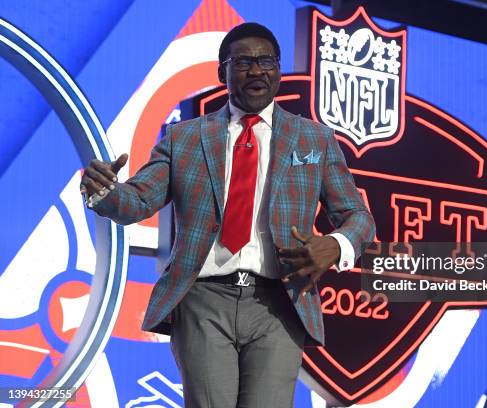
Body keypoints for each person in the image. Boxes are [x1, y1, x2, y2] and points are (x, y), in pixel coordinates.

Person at [81, 22, 375, 408]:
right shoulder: (184, 137)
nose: (257, 70)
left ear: (279, 69)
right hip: (204, 299)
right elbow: (136, 202)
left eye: (266, 60)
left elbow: (358, 217)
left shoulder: (314, 139)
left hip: (279, 302)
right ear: (222, 73)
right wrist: (102, 189)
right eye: (243, 62)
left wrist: (335, 246)